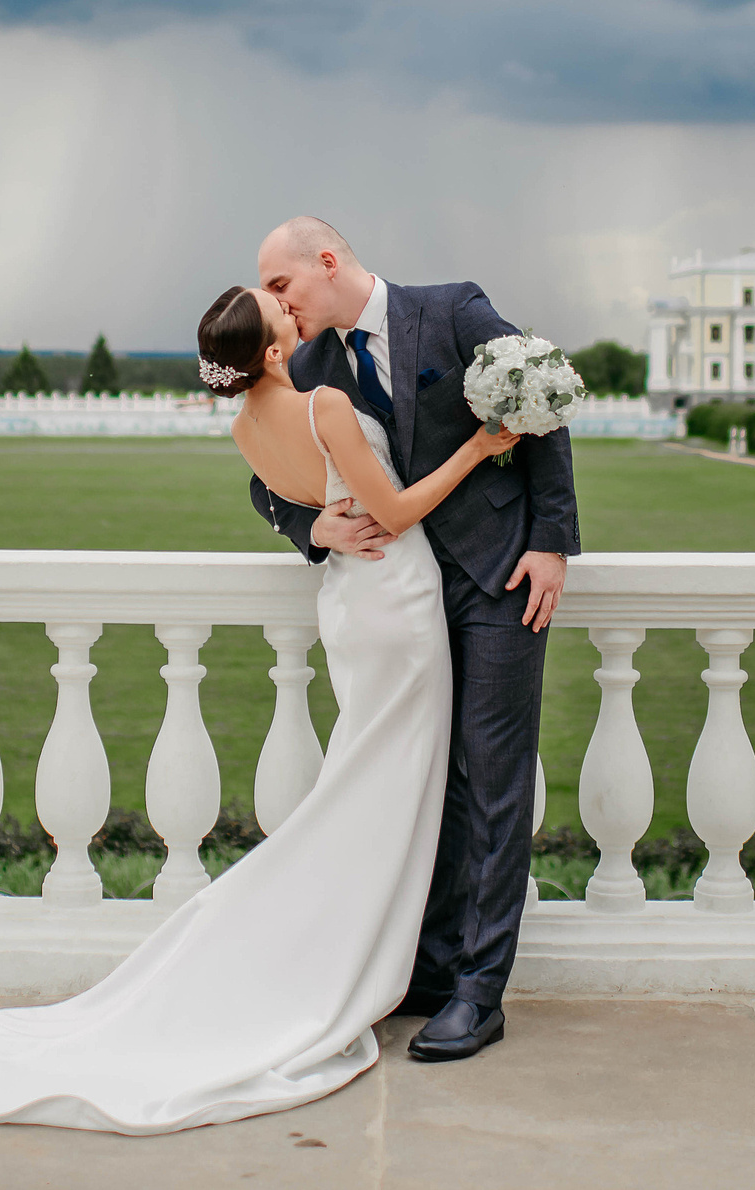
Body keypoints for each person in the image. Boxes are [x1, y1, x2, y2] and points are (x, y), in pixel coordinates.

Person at [0, 280, 524, 1133]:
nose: (295, 311)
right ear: (278, 351)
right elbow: (394, 512)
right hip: (398, 607)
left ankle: (381, 956)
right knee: (387, 784)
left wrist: (320, 525)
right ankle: (359, 959)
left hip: (354, 610)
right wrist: (480, 448)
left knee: (376, 781)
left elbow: (305, 501)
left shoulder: (244, 426)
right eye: (283, 312)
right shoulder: (325, 403)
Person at [249, 218, 579, 1062]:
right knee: (431, 776)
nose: (275, 306)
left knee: (494, 777)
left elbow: (537, 402)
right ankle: (431, 968)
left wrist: (551, 541)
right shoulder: (313, 366)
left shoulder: (455, 311)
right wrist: (309, 524)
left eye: (280, 287)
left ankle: (480, 991)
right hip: (404, 598)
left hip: (500, 579)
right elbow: (267, 479)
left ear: (327, 262)